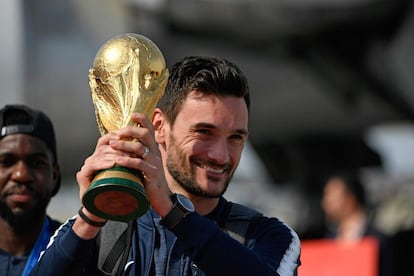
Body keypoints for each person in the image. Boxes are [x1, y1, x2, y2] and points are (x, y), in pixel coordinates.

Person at [31, 56, 301, 275]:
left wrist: (173, 211)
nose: (221, 156)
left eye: (235, 138)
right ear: (159, 127)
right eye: (203, 133)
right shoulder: (96, 233)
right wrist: (90, 216)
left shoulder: (271, 236)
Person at [0, 104, 62, 276]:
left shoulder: (83, 252)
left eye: (36, 163)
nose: (21, 175)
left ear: (55, 175)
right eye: (7, 162)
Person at [321, 171, 393, 276]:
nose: (325, 202)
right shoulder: (327, 241)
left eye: (330, 196)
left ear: (350, 199)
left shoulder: (378, 241)